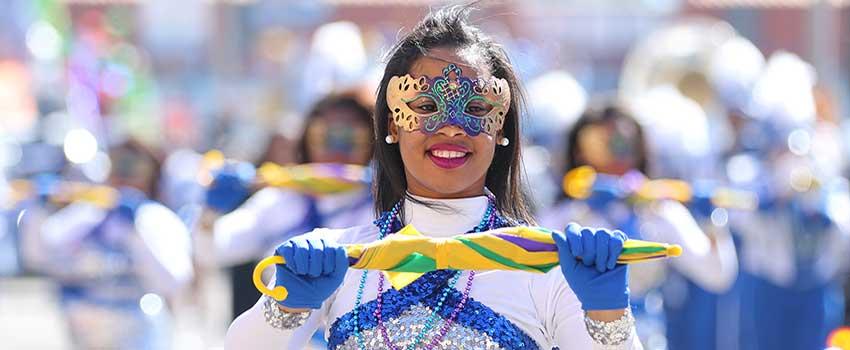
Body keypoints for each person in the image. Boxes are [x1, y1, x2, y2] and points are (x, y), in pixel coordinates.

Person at [225, 6, 642, 349]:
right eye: (426, 105)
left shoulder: (548, 266)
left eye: (476, 109)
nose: (451, 127)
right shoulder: (341, 257)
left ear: (502, 130)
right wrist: (288, 306)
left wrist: (608, 311)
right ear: (392, 124)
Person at [537, 104, 738, 346]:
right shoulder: (561, 218)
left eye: (625, 144)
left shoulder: (659, 211)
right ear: (580, 152)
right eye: (605, 143)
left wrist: (712, 219)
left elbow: (718, 275)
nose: (617, 152)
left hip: (644, 338)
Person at [200, 93, 376, 321]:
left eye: (352, 138)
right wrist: (209, 212)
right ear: (306, 140)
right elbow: (210, 252)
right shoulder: (278, 200)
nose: (337, 148)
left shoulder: (387, 205)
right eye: (324, 135)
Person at [20, 139, 194, 349]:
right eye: (118, 164)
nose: (123, 177)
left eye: (133, 167)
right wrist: (37, 212)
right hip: (88, 332)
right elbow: (38, 257)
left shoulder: (157, 218)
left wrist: (135, 233)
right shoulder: (88, 213)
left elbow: (174, 281)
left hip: (141, 331)